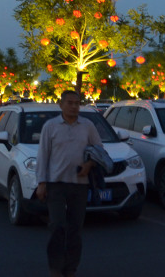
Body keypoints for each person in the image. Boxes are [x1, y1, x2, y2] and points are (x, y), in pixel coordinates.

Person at [35, 90, 103, 277]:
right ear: (61, 104)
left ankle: (71, 268)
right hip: (56, 183)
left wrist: (89, 164)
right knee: (57, 226)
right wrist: (41, 182)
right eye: (70, 103)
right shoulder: (51, 126)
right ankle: (55, 268)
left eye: (77, 103)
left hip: (80, 184)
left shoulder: (87, 125)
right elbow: (43, 155)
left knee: (75, 230)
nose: (74, 106)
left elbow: (99, 150)